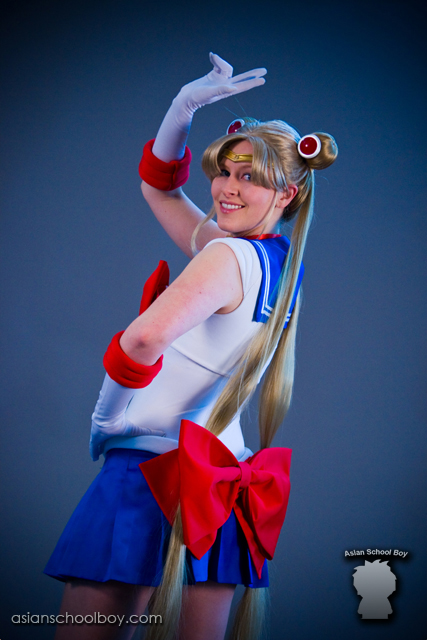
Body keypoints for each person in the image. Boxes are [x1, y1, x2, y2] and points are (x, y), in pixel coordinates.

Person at [44, 53, 338, 640]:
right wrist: (182, 111)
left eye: (249, 178)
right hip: (218, 481)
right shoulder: (277, 264)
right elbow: (161, 190)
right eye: (224, 171)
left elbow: (144, 337)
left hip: (150, 472)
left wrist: (106, 418)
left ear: (288, 193)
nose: (227, 188)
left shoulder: (226, 254)